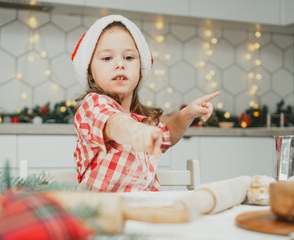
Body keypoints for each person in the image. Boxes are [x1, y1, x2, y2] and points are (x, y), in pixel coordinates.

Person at [71, 15, 219, 192]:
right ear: (90, 72)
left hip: (143, 208)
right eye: (107, 58)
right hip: (102, 212)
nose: (120, 64)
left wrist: (187, 115)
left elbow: (166, 137)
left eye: (129, 57)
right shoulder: (93, 105)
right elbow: (114, 123)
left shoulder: (140, 120)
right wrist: (135, 131)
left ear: (140, 70)